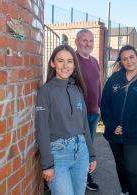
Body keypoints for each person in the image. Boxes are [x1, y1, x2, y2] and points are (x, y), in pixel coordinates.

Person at [35, 44, 97, 195]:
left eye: (70, 61)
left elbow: (84, 125)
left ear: (75, 65)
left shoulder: (77, 89)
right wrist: (47, 164)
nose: (65, 66)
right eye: (60, 60)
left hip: (81, 151)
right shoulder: (46, 91)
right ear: (52, 63)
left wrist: (91, 153)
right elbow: (42, 129)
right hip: (58, 155)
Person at [101, 45, 137, 195]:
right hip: (114, 132)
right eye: (124, 59)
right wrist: (112, 126)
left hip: (134, 134)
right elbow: (105, 104)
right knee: (120, 165)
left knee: (131, 169)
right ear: (121, 61)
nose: (129, 61)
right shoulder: (114, 78)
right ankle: (125, 191)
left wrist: (128, 128)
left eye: (131, 57)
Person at [75, 29, 101, 191]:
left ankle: (86, 175)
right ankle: (79, 176)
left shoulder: (94, 61)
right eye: (84, 40)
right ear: (77, 41)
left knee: (89, 145)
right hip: (78, 115)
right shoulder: (72, 61)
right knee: (78, 146)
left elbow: (98, 85)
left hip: (94, 113)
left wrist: (99, 106)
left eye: (91, 41)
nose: (88, 44)